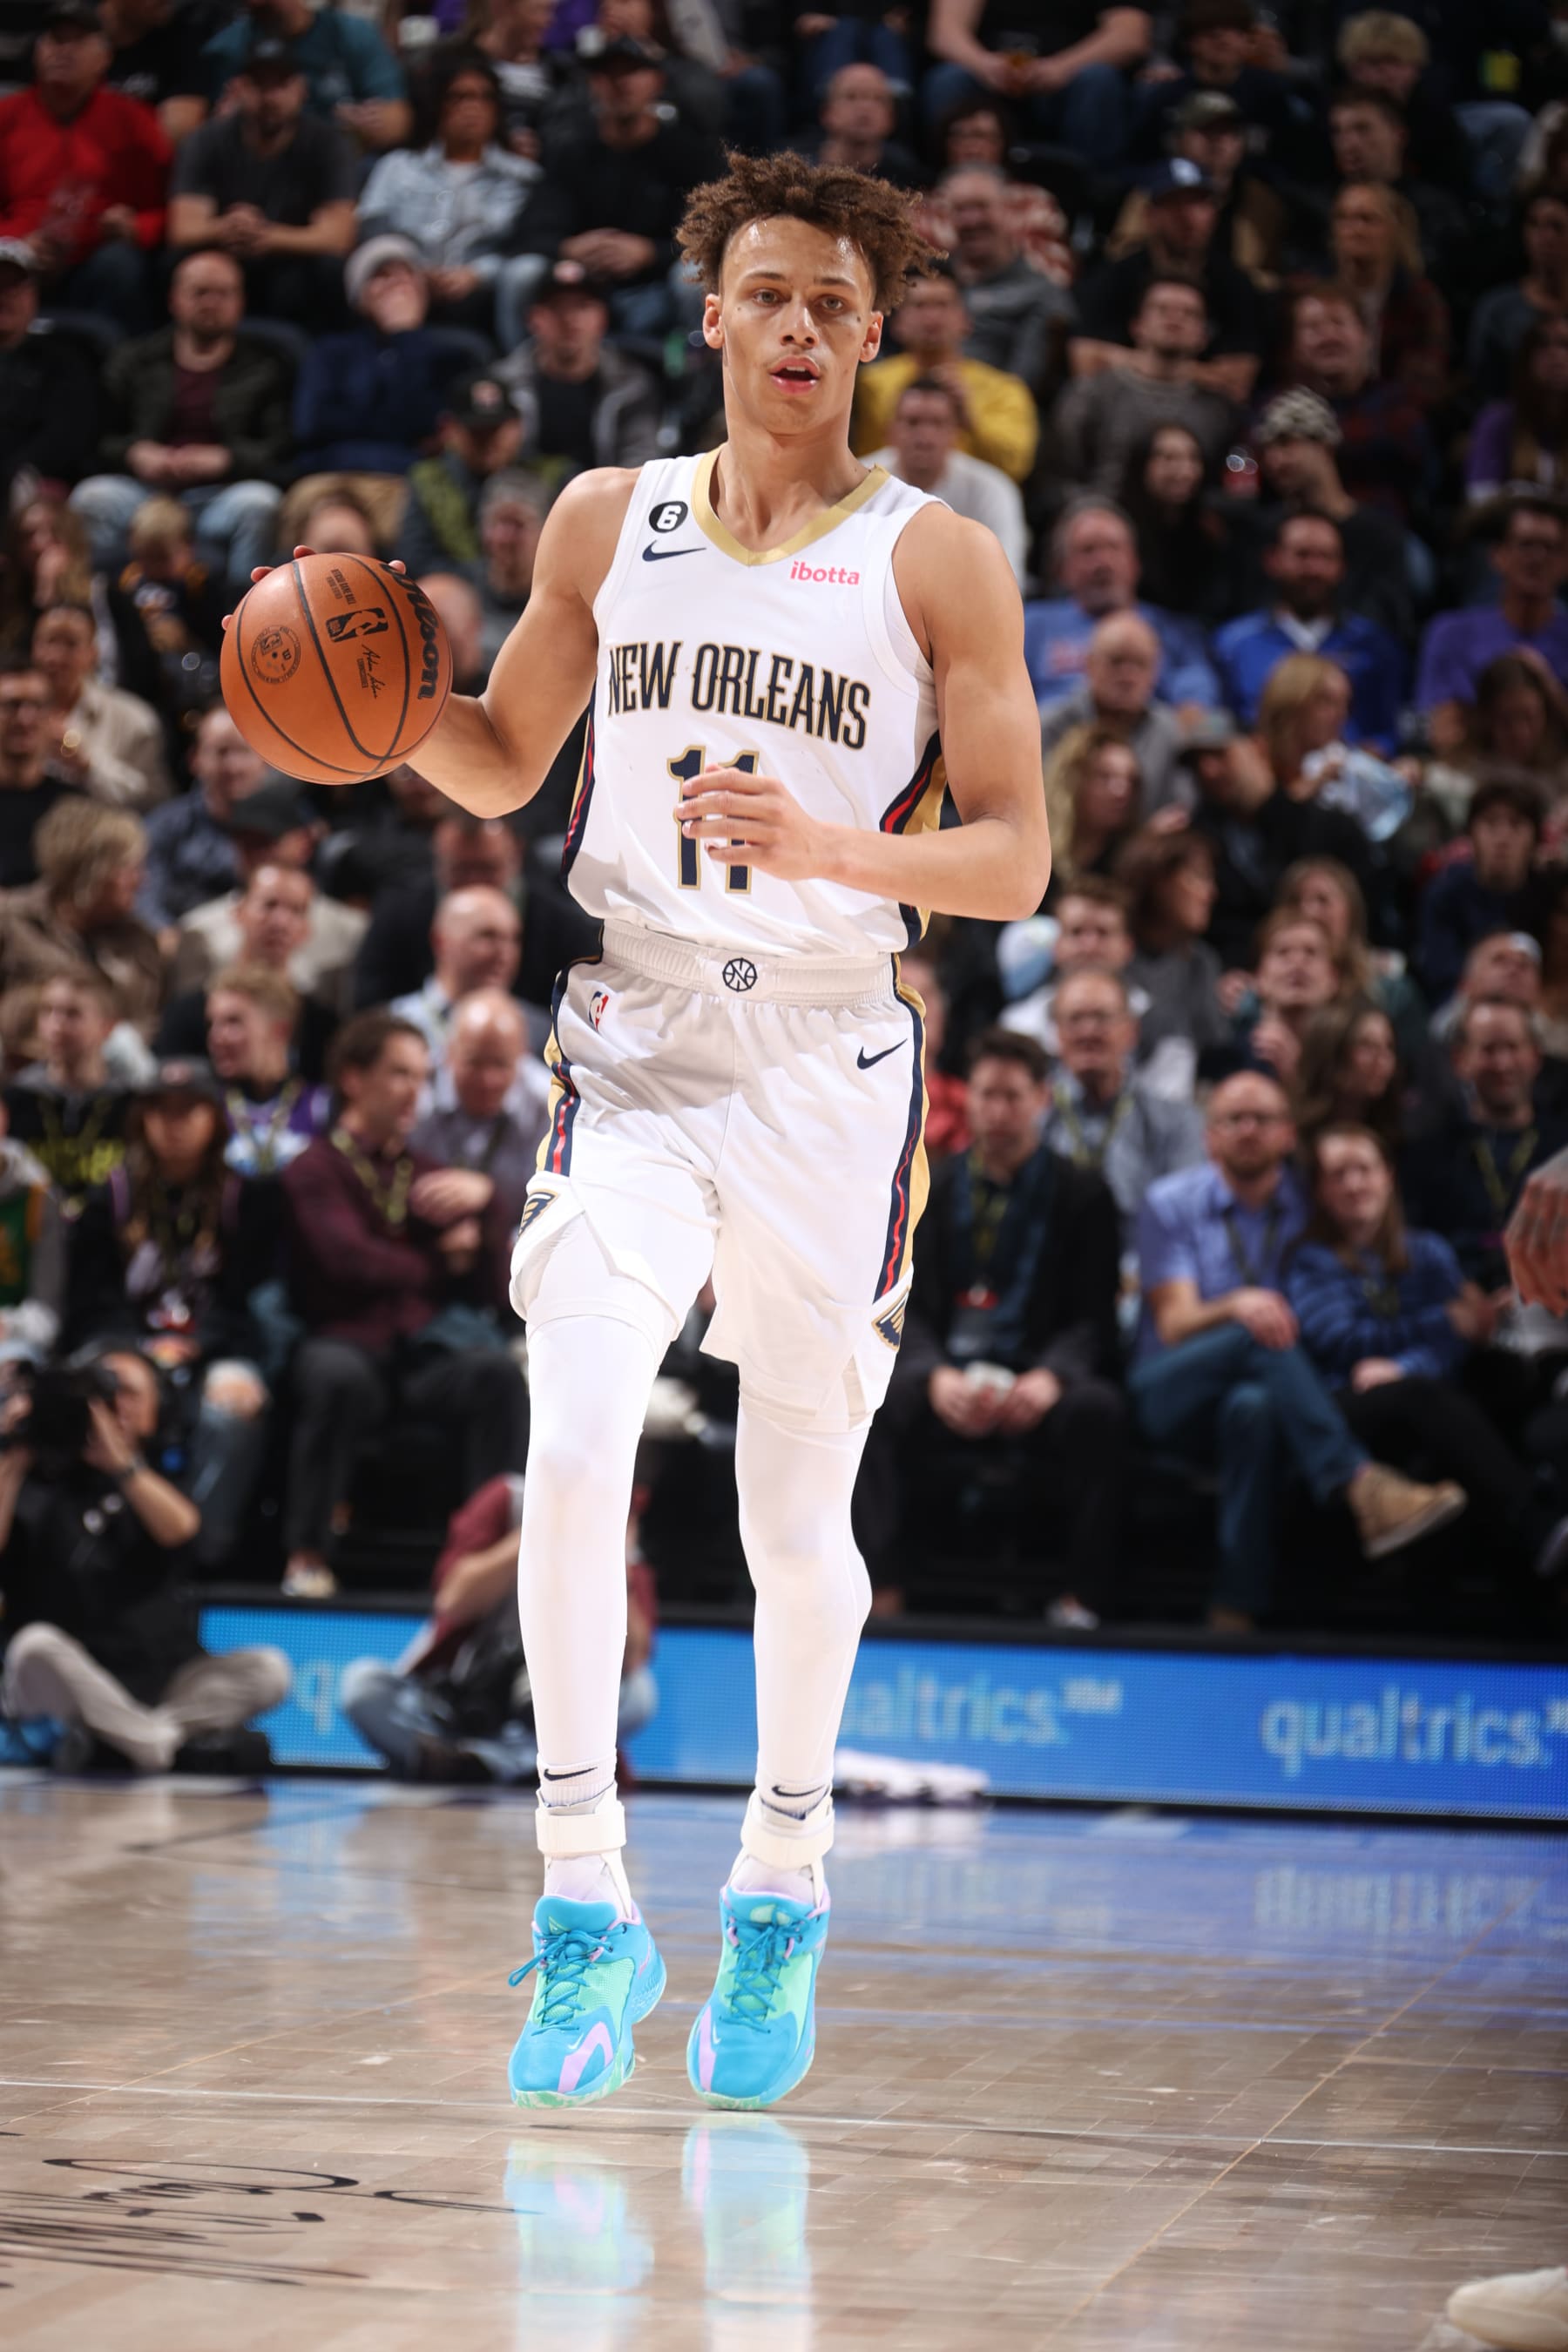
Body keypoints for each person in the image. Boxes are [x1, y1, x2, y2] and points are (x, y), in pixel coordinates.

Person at [241, 151, 1051, 2111]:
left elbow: (1017, 860)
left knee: (794, 1518)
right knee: (576, 1442)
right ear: (711, 316)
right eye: (765, 295)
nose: (795, 330)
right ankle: (585, 1901)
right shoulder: (611, 521)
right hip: (634, 1042)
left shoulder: (935, 557)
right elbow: (511, 759)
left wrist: (835, 844)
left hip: (835, 1064)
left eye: (832, 306)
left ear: (875, 335)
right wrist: (375, 698)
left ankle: (782, 1881)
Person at [1131, 1069, 1465, 1631]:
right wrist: (1240, 1304)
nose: (1247, 1129)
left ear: (1289, 1135)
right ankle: (1361, 1483)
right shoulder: (1171, 1202)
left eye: (1262, 1118)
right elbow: (1175, 1322)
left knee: (1253, 1410)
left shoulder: (1313, 1204)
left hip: (1269, 1392)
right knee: (1251, 1331)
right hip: (1170, 1385)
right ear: (1209, 1137)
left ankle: (1234, 1607)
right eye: (1232, 1119)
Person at [870, 1026, 1126, 1627]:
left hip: (1038, 1374)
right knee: (871, 1405)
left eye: (1013, 1096)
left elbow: (1094, 1317)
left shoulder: (1084, 1193)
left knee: (1102, 1414)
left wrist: (1053, 1378)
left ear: (1042, 1098)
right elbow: (907, 1303)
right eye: (987, 1095)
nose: (999, 1111)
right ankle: (879, 1589)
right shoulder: (933, 1185)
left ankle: (1083, 1602)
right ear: (969, 1098)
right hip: (948, 1370)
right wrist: (931, 1374)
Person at [278, 1011, 530, 1600]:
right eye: (398, 1074)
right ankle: (306, 1556)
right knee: (335, 1376)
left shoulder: (430, 1173)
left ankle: (489, 1556)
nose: (415, 1090)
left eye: (421, 1076)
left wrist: (490, 1206)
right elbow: (350, 1263)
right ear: (352, 1078)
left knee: (493, 1375)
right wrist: (441, 1261)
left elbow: (493, 1291)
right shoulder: (314, 1169)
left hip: (417, 1354)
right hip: (341, 1338)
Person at [1287, 1124, 1565, 1597]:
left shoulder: (1429, 1251)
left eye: (1364, 1170)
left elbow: (1467, 1334)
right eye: (1339, 1175)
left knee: (1505, 1374)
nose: (1354, 1184)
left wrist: (1408, 1363)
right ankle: (1536, 1528)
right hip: (1344, 1399)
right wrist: (1440, 1327)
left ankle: (1517, 1571)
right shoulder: (1309, 1259)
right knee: (1425, 1397)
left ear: (1388, 1176)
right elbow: (1340, 1340)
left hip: (1419, 1388)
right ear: (1320, 1189)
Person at [0, 1346, 291, 1773]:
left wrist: (121, 1463)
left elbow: (185, 1531)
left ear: (159, 1411)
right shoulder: (36, 1479)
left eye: (127, 1392)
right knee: (33, 1647)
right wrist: (12, 1455)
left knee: (269, 1669)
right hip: (72, 1682)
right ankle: (154, 1742)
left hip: (163, 1681)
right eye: (101, 1389)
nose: (114, 1403)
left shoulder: (164, 1476)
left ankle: (140, 1738)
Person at [64, 1054, 277, 1565]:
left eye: (188, 1110)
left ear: (214, 1118)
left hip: (215, 1345)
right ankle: (79, 1543)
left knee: (230, 1412)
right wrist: (135, 1349)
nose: (173, 1124)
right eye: (161, 1110)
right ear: (143, 1119)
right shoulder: (109, 1196)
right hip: (122, 1342)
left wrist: (201, 1346)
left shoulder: (246, 1198)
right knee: (83, 1395)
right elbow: (89, 1300)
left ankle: (201, 1548)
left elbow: (253, 1299)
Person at [340, 1470, 658, 1784]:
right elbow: (452, 1602)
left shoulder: (612, 1519)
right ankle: (501, 1765)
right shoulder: (508, 1499)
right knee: (363, 1686)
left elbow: (631, 1658)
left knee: (639, 1694)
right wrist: (538, 1529)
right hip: (461, 1698)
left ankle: (480, 1764)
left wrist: (613, 1561)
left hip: (542, 1721)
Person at [68, 247, 290, 600]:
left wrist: (226, 459)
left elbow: (280, 448)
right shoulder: (135, 360)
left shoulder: (265, 366)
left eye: (223, 293)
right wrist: (135, 453)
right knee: (91, 497)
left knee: (260, 503)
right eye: (200, 292)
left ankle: (242, 620)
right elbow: (96, 437)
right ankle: (110, 613)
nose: (211, 302)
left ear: (240, 302)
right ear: (175, 299)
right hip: (146, 492)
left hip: (218, 495)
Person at [517, 34, 725, 338]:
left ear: (657, 81)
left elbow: (714, 235)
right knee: (522, 274)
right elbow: (533, 229)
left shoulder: (691, 152)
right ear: (593, 85)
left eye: (633, 72)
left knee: (692, 275)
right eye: (608, 75)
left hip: (658, 284)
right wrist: (568, 247)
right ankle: (524, 371)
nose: (621, 84)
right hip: (580, 287)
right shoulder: (572, 152)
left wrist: (650, 253)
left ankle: (699, 374)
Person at [0, 0, 170, 335]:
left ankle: (116, 370)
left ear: (103, 59)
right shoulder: (7, 117)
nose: (63, 51)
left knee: (120, 264)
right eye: (55, 40)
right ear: (36, 52)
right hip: (17, 258)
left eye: (77, 42)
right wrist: (17, 243)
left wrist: (137, 227)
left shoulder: (133, 120)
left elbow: (168, 206)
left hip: (94, 256)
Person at [166, 36, 357, 324]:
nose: (270, 97)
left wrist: (266, 235)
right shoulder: (207, 139)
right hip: (223, 255)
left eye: (280, 85)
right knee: (174, 262)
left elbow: (337, 236)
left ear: (301, 90)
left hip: (289, 261)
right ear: (239, 89)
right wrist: (225, 228)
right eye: (259, 85)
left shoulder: (328, 144)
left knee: (327, 269)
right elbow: (183, 228)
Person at [355, 51, 541, 338]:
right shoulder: (397, 166)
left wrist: (476, 275)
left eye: (484, 97)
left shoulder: (521, 178)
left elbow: (525, 246)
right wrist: (411, 268)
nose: (473, 108)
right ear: (438, 105)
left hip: (481, 293)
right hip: (406, 282)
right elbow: (373, 229)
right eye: (460, 97)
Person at [1069, 158, 1265, 404]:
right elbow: (1086, 364)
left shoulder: (1235, 285)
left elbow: (1236, 385)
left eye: (1198, 204)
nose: (1187, 217)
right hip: (1123, 404)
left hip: (1201, 412)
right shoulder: (1114, 277)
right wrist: (1194, 371)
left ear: (1214, 214)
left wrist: (1143, 362)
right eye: (1174, 204)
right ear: (1150, 215)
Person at [1406, 994, 1568, 1289]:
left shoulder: (1562, 1147)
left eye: (1512, 1047)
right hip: (1455, 1307)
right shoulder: (1427, 1149)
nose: (1502, 1063)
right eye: (1489, 1049)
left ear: (1535, 1056)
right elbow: (1413, 1244)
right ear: (1460, 1060)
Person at [1212, 511, 1404, 753]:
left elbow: (1388, 733)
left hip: (1349, 775)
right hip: (1260, 773)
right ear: (1273, 560)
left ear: (1341, 567)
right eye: (1302, 555)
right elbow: (1217, 723)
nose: (1314, 569)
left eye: (1325, 557)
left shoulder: (1374, 645)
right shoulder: (1233, 643)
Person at [1189, 724, 1374, 970]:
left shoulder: (1330, 829)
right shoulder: (1196, 841)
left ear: (1258, 749)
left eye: (1220, 755)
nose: (1208, 771)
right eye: (1197, 763)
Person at [290, 239, 473, 483]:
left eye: (409, 273)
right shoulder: (330, 353)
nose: (399, 282)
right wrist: (401, 430)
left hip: (415, 483)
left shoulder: (453, 354)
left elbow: (434, 425)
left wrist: (406, 338)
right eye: (382, 275)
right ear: (358, 296)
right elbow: (312, 426)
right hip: (338, 475)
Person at [1241, 386, 1413, 643]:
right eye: (1268, 450)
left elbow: (1389, 620)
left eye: (1287, 444)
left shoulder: (1379, 533)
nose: (1275, 460)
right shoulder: (1265, 529)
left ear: (1325, 446)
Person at [1024, 495, 1220, 712]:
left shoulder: (1172, 629)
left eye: (1114, 548)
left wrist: (1190, 709)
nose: (1103, 563)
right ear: (1063, 569)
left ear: (1135, 563)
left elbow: (1199, 690)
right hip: (1055, 739)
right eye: (1088, 550)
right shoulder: (1033, 627)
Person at [1043, 964, 1204, 1227]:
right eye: (1075, 1019)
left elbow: (1187, 1215)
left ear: (1132, 1031)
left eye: (1102, 1018)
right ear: (1056, 1034)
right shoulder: (1032, 1119)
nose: (1088, 1032)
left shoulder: (1177, 1122)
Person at [852, 260, 1038, 484]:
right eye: (920, 306)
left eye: (942, 305)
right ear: (897, 323)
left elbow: (1017, 466)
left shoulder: (1005, 389)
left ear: (966, 320)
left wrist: (969, 420)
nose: (932, 318)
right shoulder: (867, 386)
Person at [172, 806, 366, 1016]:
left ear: (308, 927)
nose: (280, 922)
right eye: (269, 906)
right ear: (238, 912)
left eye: (296, 911)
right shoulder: (197, 1003)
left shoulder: (318, 1018)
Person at [1053, 278, 1236, 501]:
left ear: (1203, 336)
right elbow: (1064, 476)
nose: (1175, 319)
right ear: (1137, 326)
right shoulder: (1092, 394)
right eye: (1162, 309)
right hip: (1105, 518)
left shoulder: (1218, 409)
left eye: (1190, 313)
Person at [0, 797, 163, 1035]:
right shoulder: (12, 923)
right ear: (90, 871)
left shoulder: (139, 940)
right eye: (129, 868)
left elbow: (150, 1023)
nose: (142, 881)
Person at [923, 0, 1151, 165]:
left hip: (1069, 78)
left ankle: (1092, 193)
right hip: (989, 77)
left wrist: (1060, 68)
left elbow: (1129, 36)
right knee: (948, 79)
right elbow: (944, 33)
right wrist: (985, 65)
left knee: (1098, 80)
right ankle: (954, 184)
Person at [495, 262, 662, 485]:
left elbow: (640, 465)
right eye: (557, 307)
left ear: (602, 318)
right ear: (534, 319)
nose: (569, 319)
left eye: (582, 307)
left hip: (605, 503)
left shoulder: (631, 384)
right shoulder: (504, 383)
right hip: (526, 499)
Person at [1285, 284, 1433, 524]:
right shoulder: (1279, 405)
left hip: (1381, 533)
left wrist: (1314, 449)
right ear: (1296, 347)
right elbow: (1249, 460)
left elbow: (1412, 454)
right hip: (1300, 539)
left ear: (1366, 337)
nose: (1328, 336)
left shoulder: (1397, 402)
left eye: (1338, 323)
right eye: (1313, 328)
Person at [1416, 498, 1568, 725]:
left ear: (1565, 562)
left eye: (1550, 547)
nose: (1538, 557)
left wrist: (1546, 685)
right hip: (1471, 760)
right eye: (1526, 544)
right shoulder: (1451, 634)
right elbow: (1439, 729)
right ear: (1498, 555)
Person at [410, 984, 549, 1229]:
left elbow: (549, 1218)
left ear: (522, 1056)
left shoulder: (548, 1106)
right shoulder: (415, 1090)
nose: (487, 1080)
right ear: (448, 1053)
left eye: (501, 1064)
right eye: (474, 1063)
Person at [870, 374, 1027, 585]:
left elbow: (1010, 578)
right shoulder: (860, 478)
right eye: (912, 422)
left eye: (938, 423)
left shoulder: (993, 489)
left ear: (956, 432)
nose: (925, 437)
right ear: (890, 430)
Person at [1322, 164, 1456, 403]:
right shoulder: (1318, 298)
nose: (1355, 230)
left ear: (1395, 230)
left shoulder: (1420, 299)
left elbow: (1425, 383)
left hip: (1394, 412)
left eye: (1367, 219)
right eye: (1344, 219)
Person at [202, 0, 412, 153]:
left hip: (340, 160)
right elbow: (212, 132)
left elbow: (397, 120)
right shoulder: (228, 49)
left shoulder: (350, 33)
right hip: (261, 164)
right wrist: (230, 120)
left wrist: (365, 125)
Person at [936, 164, 1076, 393]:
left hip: (995, 414)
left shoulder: (1042, 293)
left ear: (1009, 211)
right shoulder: (924, 279)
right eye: (960, 210)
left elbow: (1023, 387)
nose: (971, 221)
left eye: (981, 207)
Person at [3, 966, 131, 1211]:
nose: (56, 1025)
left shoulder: (129, 1102)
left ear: (107, 1027)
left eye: (72, 1014)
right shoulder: (15, 1099)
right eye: (47, 1011)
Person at [1417, 779, 1551, 1008]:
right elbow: (1440, 979)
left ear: (1535, 839)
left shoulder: (1550, 897)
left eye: (1516, 824)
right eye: (1490, 823)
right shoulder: (1445, 893)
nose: (1503, 837)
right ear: (1471, 834)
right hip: (1463, 1006)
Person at [1038, 611, 1186, 815]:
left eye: (1140, 664)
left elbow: (1179, 806)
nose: (1128, 676)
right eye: (1116, 662)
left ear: (1155, 672)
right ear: (1089, 664)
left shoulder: (1168, 732)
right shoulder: (1048, 726)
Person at [1118, 821, 1228, 1092]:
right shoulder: (1115, 959)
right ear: (1159, 881)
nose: (1211, 893)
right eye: (1199, 877)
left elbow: (1215, 1056)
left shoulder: (1202, 963)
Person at [30, 604, 170, 814]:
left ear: (93, 653)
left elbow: (154, 801)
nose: (56, 656)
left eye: (70, 644)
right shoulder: (12, 714)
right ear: (34, 648)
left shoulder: (134, 718)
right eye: (49, 642)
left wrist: (85, 765)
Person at [136, 706, 266, 932]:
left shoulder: (292, 825)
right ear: (195, 760)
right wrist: (167, 938)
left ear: (265, 760)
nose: (233, 767)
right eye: (221, 752)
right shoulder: (164, 826)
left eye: (244, 751)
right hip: (186, 949)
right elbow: (144, 899)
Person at [0, 240, 100, 510]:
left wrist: (14, 473)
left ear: (33, 295)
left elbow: (65, 436)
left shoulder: (64, 360)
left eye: (14, 286)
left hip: (31, 483)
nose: (4, 296)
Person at [203, 963, 329, 1175]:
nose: (216, 1037)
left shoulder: (323, 1106)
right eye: (212, 1024)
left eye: (233, 1022)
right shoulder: (207, 1109)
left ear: (280, 1030)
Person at [1114, 419, 1236, 625]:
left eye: (1193, 459)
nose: (1184, 471)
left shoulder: (1211, 528)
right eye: (1169, 458)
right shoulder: (1118, 527)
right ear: (1142, 464)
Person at [389, 884, 523, 1064]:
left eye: (513, 939)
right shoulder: (395, 1027)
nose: (505, 954)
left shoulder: (540, 1030)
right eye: (487, 936)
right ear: (441, 942)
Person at [1469, 188, 1568, 405]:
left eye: (1556, 226)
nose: (1544, 236)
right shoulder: (1497, 309)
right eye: (1534, 224)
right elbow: (1485, 389)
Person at [0, 659, 84, 891]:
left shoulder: (73, 806)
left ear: (53, 717)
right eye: (12, 705)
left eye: (36, 706)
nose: (24, 719)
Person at [1466, 314, 1568, 506]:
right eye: (1543, 345)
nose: (1557, 354)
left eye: (1565, 345)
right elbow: (1480, 500)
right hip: (1509, 531)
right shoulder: (1498, 421)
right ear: (1525, 360)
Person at [801, 63, 926, 189]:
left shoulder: (908, 177)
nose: (865, 108)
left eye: (877, 99)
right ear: (827, 113)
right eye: (851, 97)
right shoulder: (801, 171)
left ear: (891, 118)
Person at [1043, 723, 1141, 882]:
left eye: (1131, 781)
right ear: (1073, 780)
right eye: (1104, 777)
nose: (1122, 791)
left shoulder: (1132, 867)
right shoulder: (1037, 854)